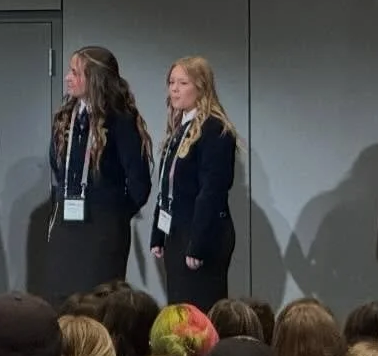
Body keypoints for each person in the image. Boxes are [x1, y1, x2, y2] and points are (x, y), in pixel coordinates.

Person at [45, 46, 153, 305]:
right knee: (63, 302)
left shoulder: (120, 119)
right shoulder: (67, 116)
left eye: (75, 72)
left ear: (94, 78)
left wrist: (112, 214)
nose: (68, 78)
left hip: (103, 232)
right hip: (67, 227)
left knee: (98, 303)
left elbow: (139, 184)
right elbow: (58, 167)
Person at [150, 56, 237, 311]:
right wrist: (158, 233)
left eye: (183, 83)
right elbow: (168, 184)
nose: (174, 89)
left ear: (201, 87)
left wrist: (198, 244)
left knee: (198, 312)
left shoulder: (214, 129)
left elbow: (212, 192)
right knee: (179, 311)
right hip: (177, 233)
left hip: (201, 236)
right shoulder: (180, 128)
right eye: (171, 82)